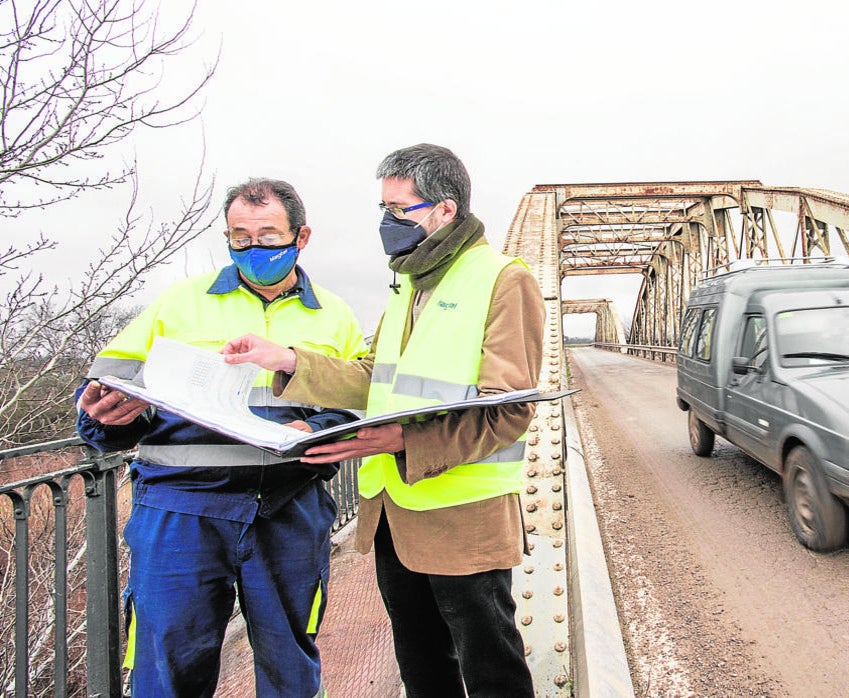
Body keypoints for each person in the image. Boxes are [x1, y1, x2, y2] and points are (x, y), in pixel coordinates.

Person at [222, 144, 544, 697]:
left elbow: (509, 408)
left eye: (400, 210)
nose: (386, 223)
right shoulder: (409, 281)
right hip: (393, 509)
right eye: (383, 209)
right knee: (421, 665)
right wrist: (288, 360)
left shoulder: (501, 278)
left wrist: (399, 438)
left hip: (463, 514)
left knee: (490, 667)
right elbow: (379, 375)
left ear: (445, 210)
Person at [75, 178, 367, 697]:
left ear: (301, 238)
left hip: (289, 507)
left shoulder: (338, 316)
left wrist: (316, 428)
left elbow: (357, 404)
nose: (254, 248)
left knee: (289, 667)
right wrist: (105, 417)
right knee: (168, 666)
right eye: (240, 236)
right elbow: (107, 397)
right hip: (180, 510)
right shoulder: (178, 303)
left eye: (268, 235)